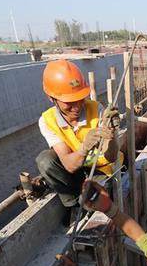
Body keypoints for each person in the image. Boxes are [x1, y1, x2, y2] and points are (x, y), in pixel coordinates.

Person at [36, 59, 122, 213]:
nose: (76, 107)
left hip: (99, 170)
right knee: (45, 160)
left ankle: (87, 204)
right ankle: (74, 205)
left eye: (80, 99)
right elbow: (69, 165)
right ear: (51, 97)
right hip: (75, 168)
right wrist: (85, 147)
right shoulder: (47, 121)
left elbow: (111, 157)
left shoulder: (97, 110)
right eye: (69, 102)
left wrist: (111, 135)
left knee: (102, 191)